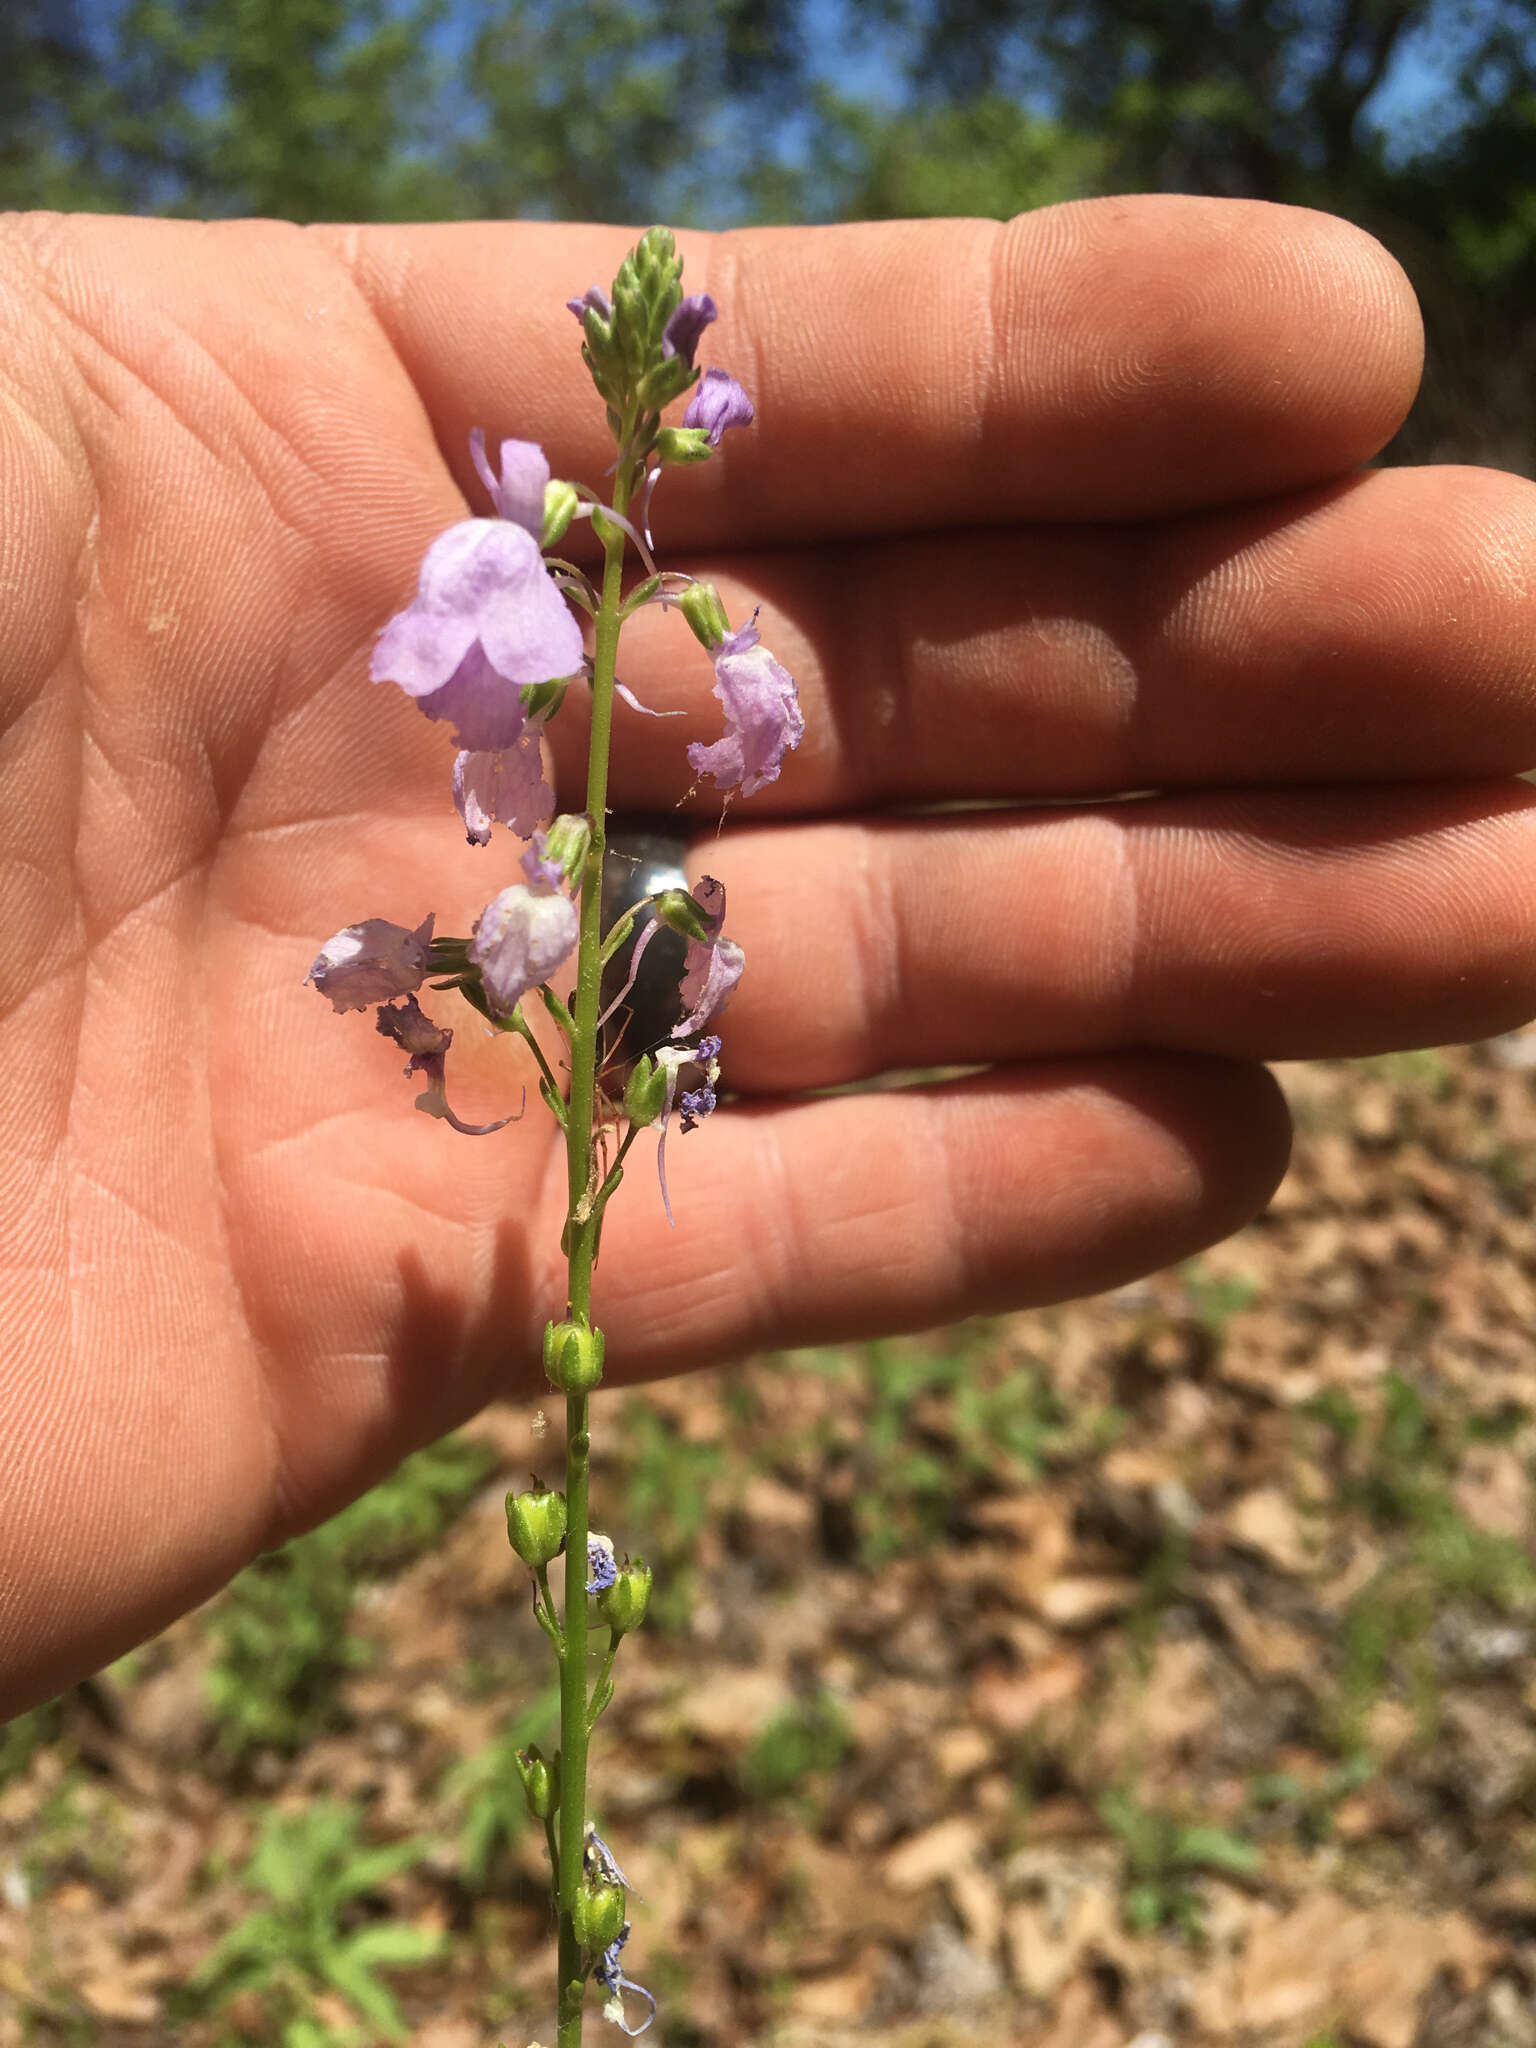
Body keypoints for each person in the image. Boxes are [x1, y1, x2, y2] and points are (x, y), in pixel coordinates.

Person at [1, 197, 1532, 1715]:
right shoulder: (517, 569)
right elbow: (504, 665)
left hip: (567, 783)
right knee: (533, 886)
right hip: (534, 760)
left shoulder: (579, 583)